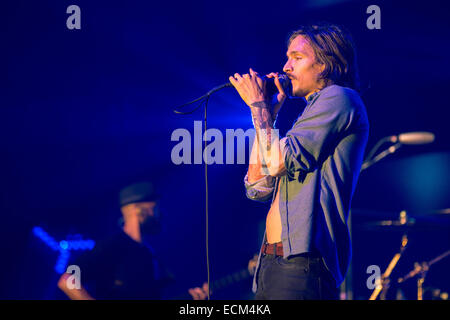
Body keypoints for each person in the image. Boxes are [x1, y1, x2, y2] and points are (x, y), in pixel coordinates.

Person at [229, 23, 369, 300]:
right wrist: (269, 111)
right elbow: (258, 187)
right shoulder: (308, 116)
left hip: (301, 264)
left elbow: (276, 162)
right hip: (271, 262)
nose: (286, 65)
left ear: (325, 66)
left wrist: (258, 107)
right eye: (287, 56)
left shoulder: (339, 98)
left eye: (297, 57)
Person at [58, 181, 208, 300]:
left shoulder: (148, 254)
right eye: (154, 209)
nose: (158, 215)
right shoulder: (115, 245)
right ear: (137, 210)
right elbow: (68, 279)